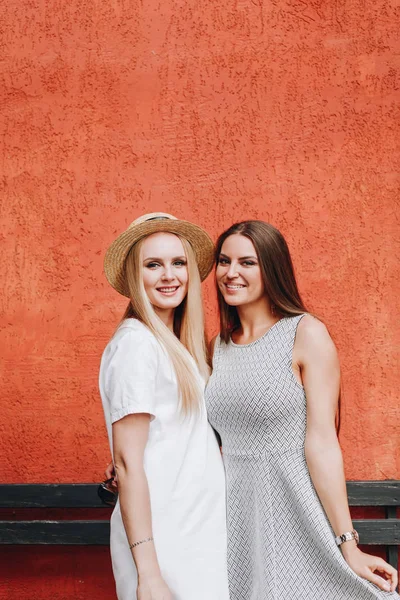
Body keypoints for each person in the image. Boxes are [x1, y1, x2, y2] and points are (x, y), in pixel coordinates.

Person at [205, 220, 399, 600]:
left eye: (248, 262)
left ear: (272, 268)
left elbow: (323, 442)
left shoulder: (305, 332)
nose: (231, 273)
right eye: (224, 261)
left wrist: (348, 542)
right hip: (234, 518)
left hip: (295, 506)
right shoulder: (217, 347)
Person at [99, 213, 229, 600]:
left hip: (197, 535)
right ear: (135, 277)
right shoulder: (137, 345)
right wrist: (149, 573)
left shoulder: (175, 345)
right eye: (153, 264)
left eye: (178, 262)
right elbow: (127, 465)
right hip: (165, 545)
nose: (168, 275)